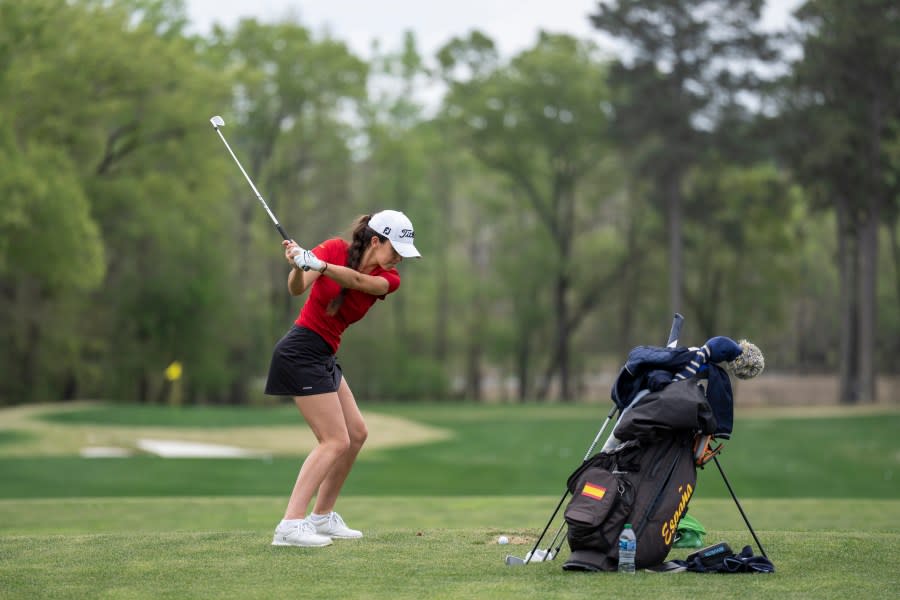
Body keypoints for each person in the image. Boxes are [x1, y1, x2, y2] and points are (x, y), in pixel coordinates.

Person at [266, 209, 421, 548]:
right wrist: (299, 265)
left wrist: (317, 264)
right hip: (300, 350)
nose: (398, 259)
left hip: (323, 354)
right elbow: (297, 289)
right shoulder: (334, 249)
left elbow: (357, 282)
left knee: (356, 433)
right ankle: (290, 525)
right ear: (375, 240)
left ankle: (321, 517)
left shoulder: (388, 279)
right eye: (394, 249)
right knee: (334, 440)